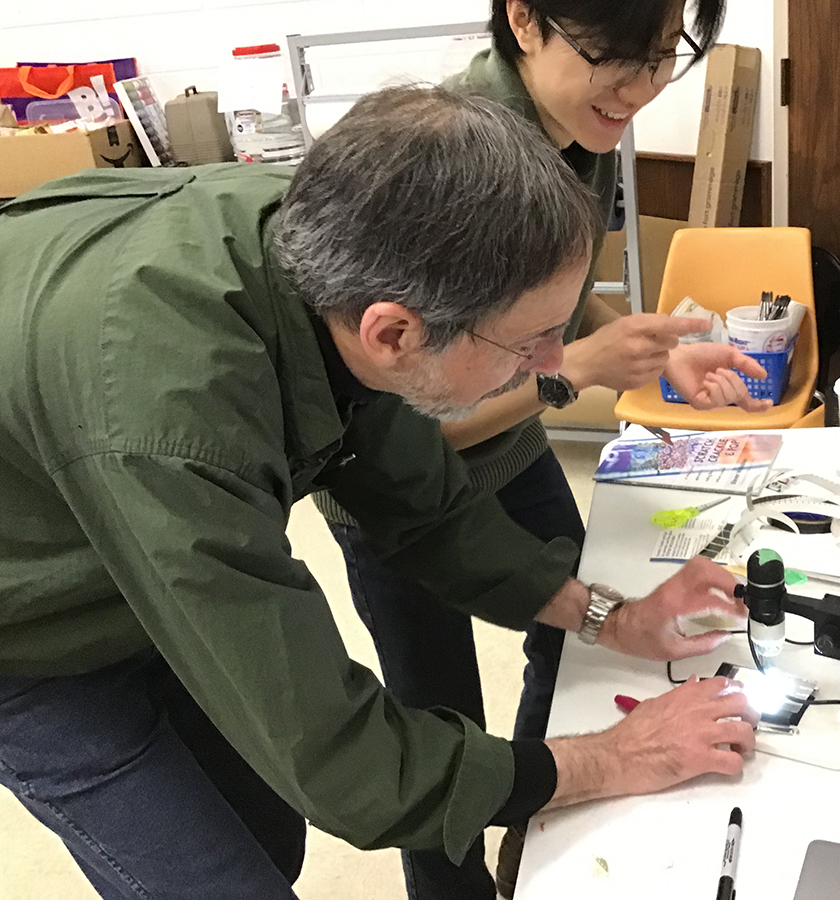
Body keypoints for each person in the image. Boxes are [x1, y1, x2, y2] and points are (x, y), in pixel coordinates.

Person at [0, 86, 758, 899]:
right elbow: (343, 763)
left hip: (105, 512)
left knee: (262, 829)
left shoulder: (334, 259)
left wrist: (610, 616)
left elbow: (424, 507)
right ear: (395, 332)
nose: (557, 364)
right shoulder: (171, 416)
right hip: (14, 626)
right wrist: (611, 758)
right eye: (531, 341)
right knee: (217, 881)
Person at [311, 4, 762, 894]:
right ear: (524, 18)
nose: (641, 88)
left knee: (581, 627)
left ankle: (541, 828)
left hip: (505, 457)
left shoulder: (576, 133)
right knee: (435, 722)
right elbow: (405, 427)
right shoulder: (451, 166)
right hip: (398, 488)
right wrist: (574, 371)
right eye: (617, 60)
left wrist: (650, 348)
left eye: (664, 59)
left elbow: (544, 307)